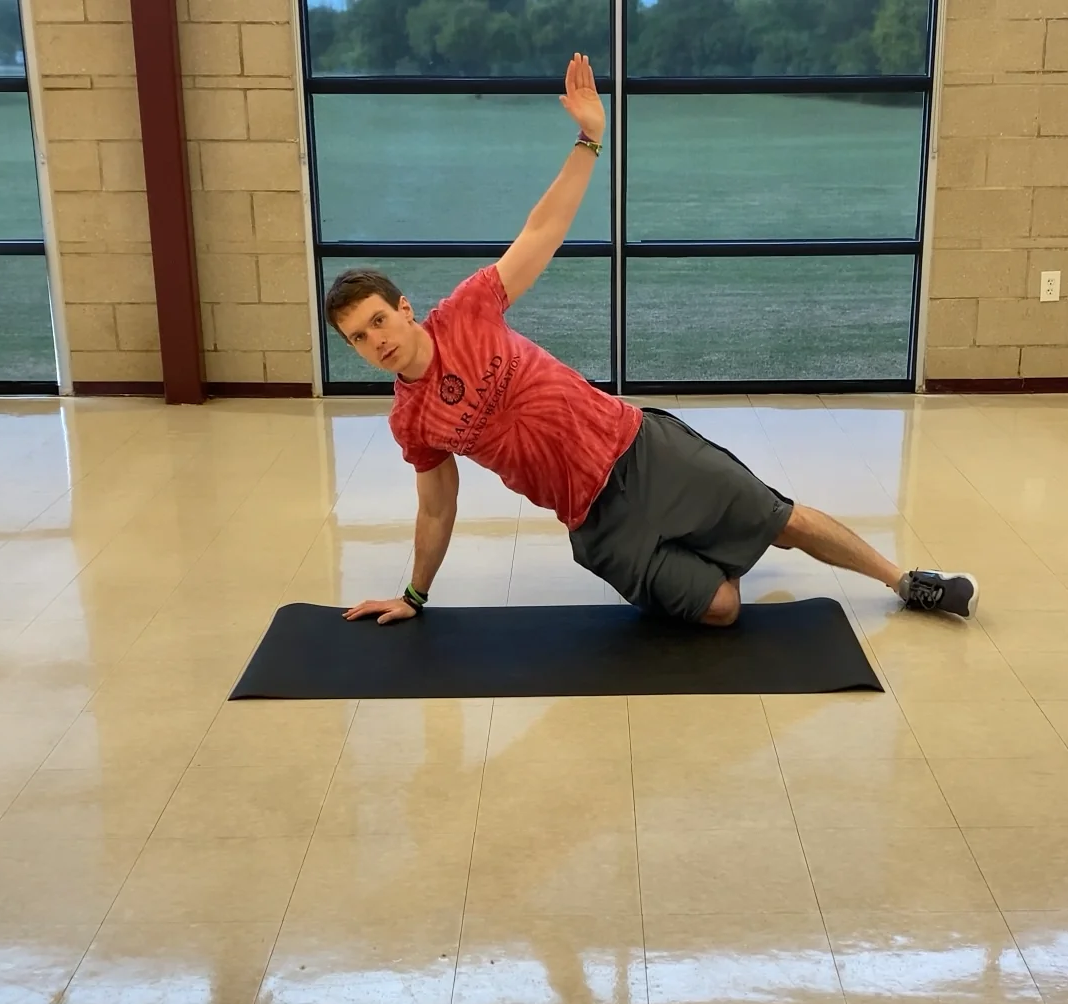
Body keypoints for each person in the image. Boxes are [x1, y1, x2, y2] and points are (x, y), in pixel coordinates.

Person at [328, 52, 977, 628]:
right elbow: (438, 511)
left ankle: (907, 581)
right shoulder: (412, 421)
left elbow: (540, 233)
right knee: (722, 611)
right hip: (595, 521)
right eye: (358, 337)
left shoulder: (466, 311)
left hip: (639, 448)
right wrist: (413, 594)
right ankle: (709, 554)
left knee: (786, 523)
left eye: (378, 321)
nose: (374, 340)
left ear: (403, 309)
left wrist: (589, 139)